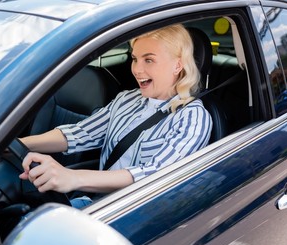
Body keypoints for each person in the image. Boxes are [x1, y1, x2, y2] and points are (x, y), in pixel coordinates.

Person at [19, 24, 213, 208]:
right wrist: (19, 144)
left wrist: (72, 178)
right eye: (135, 58)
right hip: (98, 203)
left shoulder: (192, 118)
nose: (137, 69)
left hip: (137, 215)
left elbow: (153, 175)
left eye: (149, 60)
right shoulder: (127, 99)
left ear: (177, 65)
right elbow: (80, 134)